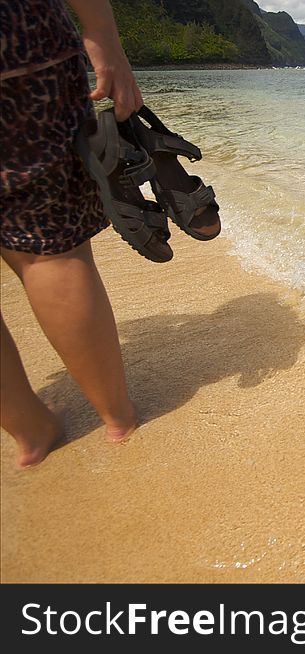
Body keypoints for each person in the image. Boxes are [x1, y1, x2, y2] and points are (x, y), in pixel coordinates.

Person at [1, 0, 143, 467]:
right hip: (17, 47)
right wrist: (101, 31)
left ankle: (29, 429)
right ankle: (116, 415)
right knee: (47, 248)